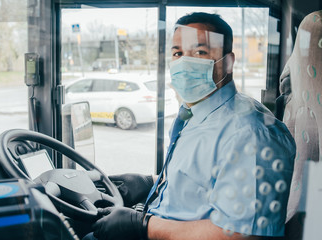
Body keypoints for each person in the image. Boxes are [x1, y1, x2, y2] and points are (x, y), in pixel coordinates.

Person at [87, 12, 296, 240]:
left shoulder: (251, 134)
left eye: (199, 52)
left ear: (228, 62)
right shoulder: (195, 113)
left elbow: (240, 234)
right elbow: (203, 183)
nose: (184, 62)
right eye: (178, 53)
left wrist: (144, 226)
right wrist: (150, 183)